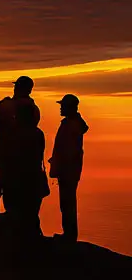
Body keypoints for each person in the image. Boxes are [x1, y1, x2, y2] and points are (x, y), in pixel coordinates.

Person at [0, 104, 49, 242]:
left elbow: (5, 156)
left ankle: (19, 242)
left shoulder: (12, 134)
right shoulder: (38, 133)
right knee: (31, 214)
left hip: (16, 181)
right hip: (33, 180)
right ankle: (32, 240)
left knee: (14, 214)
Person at [49, 94, 88, 243]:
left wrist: (61, 165)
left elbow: (70, 150)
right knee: (67, 203)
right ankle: (69, 234)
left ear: (70, 107)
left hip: (68, 171)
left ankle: (69, 236)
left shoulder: (71, 125)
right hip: (69, 170)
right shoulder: (72, 123)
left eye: (62, 105)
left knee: (67, 203)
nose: (60, 108)